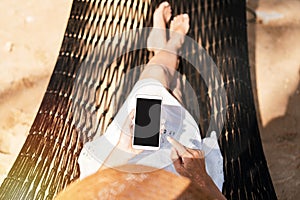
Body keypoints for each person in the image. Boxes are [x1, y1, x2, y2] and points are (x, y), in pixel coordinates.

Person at [78, 1, 224, 197]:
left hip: (121, 168)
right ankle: (168, 47)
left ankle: (168, 48)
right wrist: (201, 178)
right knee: (175, 96)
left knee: (153, 85)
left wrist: (122, 152)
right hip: (177, 181)